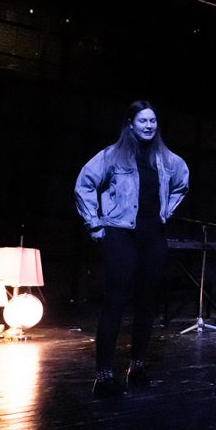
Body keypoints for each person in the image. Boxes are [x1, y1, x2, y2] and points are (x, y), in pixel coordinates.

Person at [75, 100, 190, 398]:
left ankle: (136, 367)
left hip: (153, 237)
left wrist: (166, 212)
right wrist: (94, 224)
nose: (149, 126)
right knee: (115, 302)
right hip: (120, 234)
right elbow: (84, 184)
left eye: (153, 121)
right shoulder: (112, 155)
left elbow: (182, 183)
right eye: (143, 121)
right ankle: (103, 375)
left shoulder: (166, 159)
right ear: (131, 124)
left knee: (147, 303)